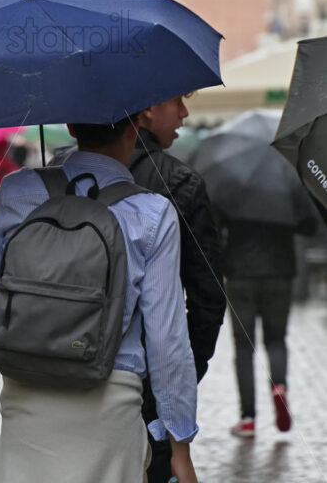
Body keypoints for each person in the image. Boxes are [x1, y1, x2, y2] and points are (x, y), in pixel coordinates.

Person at [0, 116, 199, 483]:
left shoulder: (17, 191)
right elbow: (167, 340)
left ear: (70, 127)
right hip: (111, 405)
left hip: (27, 398)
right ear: (133, 130)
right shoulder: (153, 213)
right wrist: (179, 442)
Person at [129, 96, 226, 483]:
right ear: (146, 109)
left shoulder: (56, 173)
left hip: (62, 383)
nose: (184, 114)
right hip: (148, 394)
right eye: (177, 102)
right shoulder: (179, 182)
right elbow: (207, 300)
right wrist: (174, 386)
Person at [219, 201, 318, 437]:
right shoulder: (286, 185)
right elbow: (310, 227)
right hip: (279, 273)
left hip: (240, 273)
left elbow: (214, 224)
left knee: (244, 346)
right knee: (276, 339)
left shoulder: (232, 185)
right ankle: (280, 386)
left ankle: (248, 418)